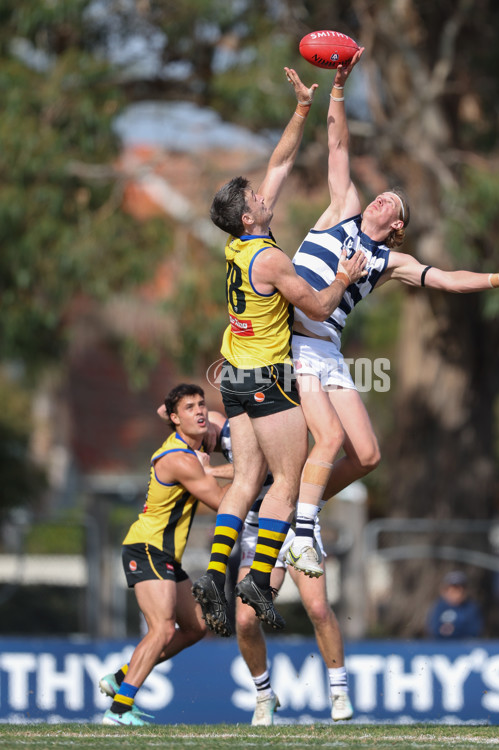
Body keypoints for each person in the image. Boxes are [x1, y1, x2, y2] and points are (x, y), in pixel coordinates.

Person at [284, 50, 499, 574]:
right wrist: (338, 88)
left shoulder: (389, 260)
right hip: (295, 337)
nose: (381, 200)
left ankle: (293, 505)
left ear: (399, 225)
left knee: (368, 455)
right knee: (330, 439)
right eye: (382, 196)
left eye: (392, 204)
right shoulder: (342, 210)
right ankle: (300, 529)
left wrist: (497, 277)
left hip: (326, 347)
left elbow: (445, 279)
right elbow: (337, 144)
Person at [192, 65, 367, 638]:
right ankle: (258, 577)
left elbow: (280, 164)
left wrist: (300, 109)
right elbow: (316, 309)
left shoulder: (236, 247)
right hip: (266, 379)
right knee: (287, 482)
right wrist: (341, 279)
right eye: (256, 199)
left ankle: (217, 578)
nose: (265, 196)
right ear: (250, 216)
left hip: (233, 381)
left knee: (244, 482)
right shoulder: (270, 259)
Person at [206, 410, 353, 725]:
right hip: (255, 534)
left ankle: (338, 690)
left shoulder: (251, 420)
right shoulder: (209, 437)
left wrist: (210, 470)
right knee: (245, 620)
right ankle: (264, 695)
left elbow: (255, 471)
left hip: (292, 527)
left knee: (317, 608)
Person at [100, 383, 230, 727]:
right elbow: (221, 503)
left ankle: (121, 677)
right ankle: (118, 710)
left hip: (165, 555)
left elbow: (164, 411)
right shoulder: (179, 460)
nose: (200, 411)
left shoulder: (191, 443)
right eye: (189, 408)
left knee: (195, 627)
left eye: (202, 404)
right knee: (162, 629)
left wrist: (196, 428)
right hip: (147, 547)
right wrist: (262, 479)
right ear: (175, 419)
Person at [425, 570, 483, 639]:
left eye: (459, 589)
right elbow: (434, 629)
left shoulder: (471, 607)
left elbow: (474, 630)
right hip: (441, 646)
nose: (456, 593)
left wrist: (454, 630)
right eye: (452, 589)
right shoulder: (439, 606)